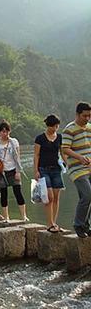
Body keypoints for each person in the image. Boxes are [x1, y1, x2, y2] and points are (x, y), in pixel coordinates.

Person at [62, 102, 91, 238]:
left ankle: (86, 224)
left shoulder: (90, 128)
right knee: (87, 195)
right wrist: (79, 157)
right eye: (84, 116)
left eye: (89, 116)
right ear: (77, 114)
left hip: (89, 167)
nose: (87, 118)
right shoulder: (69, 129)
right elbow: (65, 148)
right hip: (77, 169)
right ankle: (78, 224)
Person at [0, 120, 29, 221]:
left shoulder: (14, 141)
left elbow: (18, 157)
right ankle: (6, 217)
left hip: (13, 169)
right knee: (3, 193)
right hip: (1, 171)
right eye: (3, 131)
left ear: (9, 131)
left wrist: (18, 171)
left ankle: (24, 216)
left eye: (7, 131)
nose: (5, 133)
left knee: (18, 192)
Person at [34, 114, 65, 233]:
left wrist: (68, 164)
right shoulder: (40, 138)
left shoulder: (60, 137)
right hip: (43, 169)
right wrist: (36, 171)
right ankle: (49, 224)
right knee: (49, 197)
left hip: (56, 170)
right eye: (54, 126)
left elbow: (62, 153)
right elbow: (36, 155)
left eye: (57, 126)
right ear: (49, 125)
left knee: (56, 197)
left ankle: (54, 223)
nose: (56, 128)